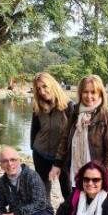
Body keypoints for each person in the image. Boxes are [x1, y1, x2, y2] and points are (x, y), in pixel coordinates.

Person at [53, 75, 108, 187]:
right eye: (85, 92)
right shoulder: (75, 113)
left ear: (100, 94)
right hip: (75, 171)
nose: (89, 96)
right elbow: (65, 140)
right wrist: (57, 164)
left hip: (96, 175)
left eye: (93, 92)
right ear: (80, 93)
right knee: (77, 202)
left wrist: (105, 175)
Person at [30, 72, 73, 204]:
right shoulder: (38, 107)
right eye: (38, 89)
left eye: (45, 86)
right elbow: (34, 130)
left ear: (53, 85)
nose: (42, 91)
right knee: (43, 195)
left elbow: (72, 135)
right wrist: (33, 147)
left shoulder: (69, 106)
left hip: (62, 158)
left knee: (68, 193)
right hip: (41, 155)